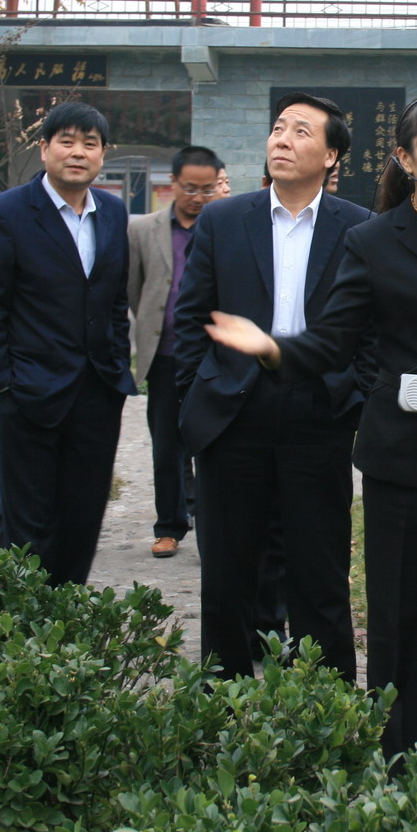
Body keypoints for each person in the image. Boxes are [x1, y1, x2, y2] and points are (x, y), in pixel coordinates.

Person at [204, 93, 417, 770]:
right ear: (405, 157)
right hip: (399, 454)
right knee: (395, 612)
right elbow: (332, 343)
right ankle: (399, 753)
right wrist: (272, 347)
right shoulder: (370, 240)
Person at [175, 94, 367, 681]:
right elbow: (191, 319)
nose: (282, 139)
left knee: (319, 568)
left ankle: (326, 696)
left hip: (319, 410)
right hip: (234, 409)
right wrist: (197, 395)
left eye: (301, 131)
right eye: (278, 128)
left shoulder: (359, 228)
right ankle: (222, 692)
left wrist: (350, 397)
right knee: (227, 568)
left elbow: (371, 331)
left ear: (331, 155)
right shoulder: (224, 220)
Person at [0, 101, 136, 586]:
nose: (78, 153)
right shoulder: (5, 213)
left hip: (97, 393)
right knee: (29, 521)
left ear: (103, 153)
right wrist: (2, 383)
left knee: (84, 515)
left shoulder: (112, 213)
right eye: (67, 142)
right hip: (28, 394)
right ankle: (30, 615)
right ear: (43, 149)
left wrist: (116, 368)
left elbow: (114, 299)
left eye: (90, 144)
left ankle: (69, 608)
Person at [128, 145, 225, 558]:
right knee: (167, 447)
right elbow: (134, 289)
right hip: (165, 357)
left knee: (212, 444)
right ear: (172, 183)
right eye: (190, 188)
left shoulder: (226, 224)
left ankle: (213, 527)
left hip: (214, 357)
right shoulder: (142, 230)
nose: (198, 197)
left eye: (207, 189)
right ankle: (169, 526)